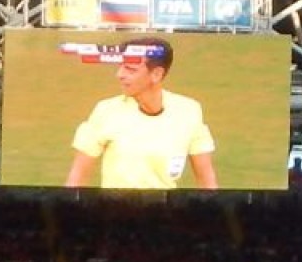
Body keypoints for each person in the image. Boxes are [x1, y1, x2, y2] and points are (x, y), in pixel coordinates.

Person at [64, 37, 218, 190]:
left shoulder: (188, 112)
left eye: (130, 69)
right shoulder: (106, 111)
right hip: (115, 210)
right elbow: (77, 177)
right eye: (121, 67)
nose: (120, 75)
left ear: (156, 74)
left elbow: (207, 182)